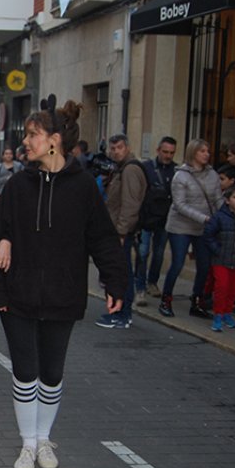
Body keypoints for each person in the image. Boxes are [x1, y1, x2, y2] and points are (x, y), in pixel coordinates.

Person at [0, 95, 126, 468]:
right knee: (25, 371)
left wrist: (115, 283)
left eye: (33, 134)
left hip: (64, 296)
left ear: (54, 140)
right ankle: (28, 444)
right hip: (18, 296)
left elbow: (101, 238)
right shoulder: (17, 186)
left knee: (52, 372)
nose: (24, 142)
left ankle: (44, 437)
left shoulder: (83, 188)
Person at [159, 138, 222, 318]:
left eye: (207, 151)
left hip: (204, 226)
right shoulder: (181, 176)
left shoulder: (212, 175)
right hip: (180, 226)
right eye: (203, 151)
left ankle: (197, 301)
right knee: (178, 263)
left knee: (204, 265)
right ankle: (166, 299)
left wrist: (221, 216)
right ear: (193, 153)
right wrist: (205, 218)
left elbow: (217, 199)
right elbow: (180, 204)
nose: (207, 154)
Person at [94, 134, 146, 330]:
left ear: (127, 148)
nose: (115, 151)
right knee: (120, 271)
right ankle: (120, 313)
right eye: (113, 148)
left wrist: (122, 233)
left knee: (121, 272)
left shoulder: (130, 169)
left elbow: (130, 205)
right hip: (116, 229)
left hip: (121, 231)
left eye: (119, 148)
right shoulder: (120, 168)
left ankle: (121, 314)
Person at [134, 137, 177, 305]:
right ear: (158, 150)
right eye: (165, 152)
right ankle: (140, 288)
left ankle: (152, 281)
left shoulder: (176, 170)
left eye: (171, 153)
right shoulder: (146, 167)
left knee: (159, 253)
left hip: (165, 219)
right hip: (146, 217)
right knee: (143, 252)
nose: (168, 156)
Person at [203, 185, 235, 331]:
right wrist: (217, 250)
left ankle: (227, 313)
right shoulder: (220, 217)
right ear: (227, 200)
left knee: (233, 289)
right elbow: (208, 235)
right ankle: (218, 315)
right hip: (221, 259)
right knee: (221, 287)